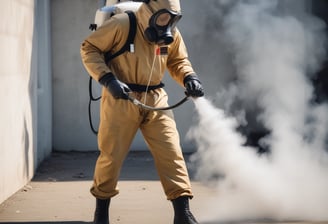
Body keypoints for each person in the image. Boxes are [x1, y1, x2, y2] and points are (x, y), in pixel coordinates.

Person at [80, 0, 204, 223]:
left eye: (173, 18)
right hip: (121, 97)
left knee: (172, 153)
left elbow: (178, 60)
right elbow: (89, 48)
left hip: (156, 99)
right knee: (111, 156)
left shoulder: (171, 33)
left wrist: (189, 77)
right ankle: (101, 213)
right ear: (150, 12)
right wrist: (108, 79)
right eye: (164, 17)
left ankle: (183, 212)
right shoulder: (122, 24)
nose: (168, 24)